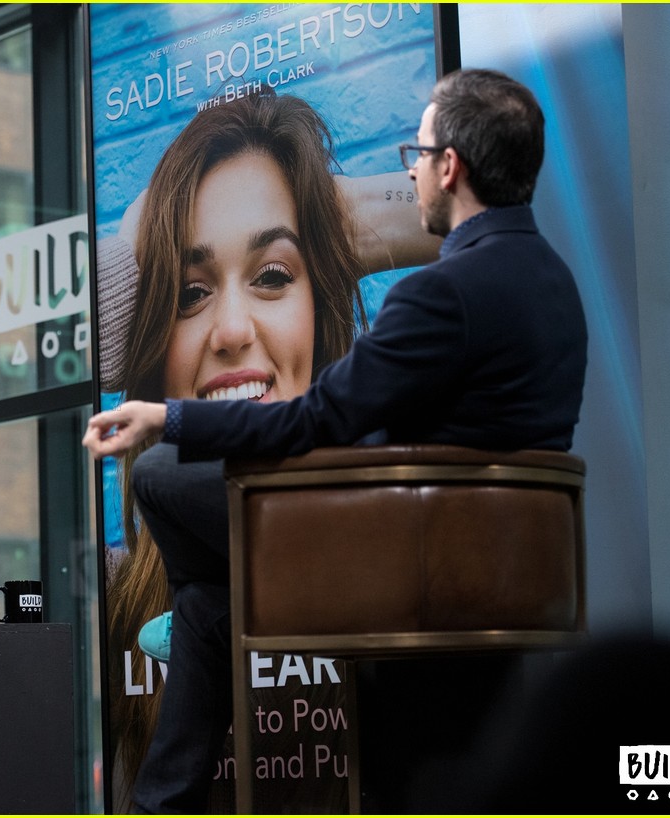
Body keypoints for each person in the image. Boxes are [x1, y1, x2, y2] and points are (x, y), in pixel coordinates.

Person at [83, 68, 588, 812]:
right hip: (498, 563)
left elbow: (317, 421)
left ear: (450, 167)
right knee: (205, 614)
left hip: (404, 559)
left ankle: (170, 766)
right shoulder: (554, 283)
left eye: (417, 155)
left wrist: (173, 419)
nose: (410, 169)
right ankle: (174, 762)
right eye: (192, 290)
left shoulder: (443, 293)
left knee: (159, 473)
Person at [93, 88, 439, 806]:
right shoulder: (113, 591)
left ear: (321, 305)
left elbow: (489, 228)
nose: (229, 331)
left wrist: (328, 212)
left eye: (275, 276)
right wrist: (136, 244)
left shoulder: (392, 533)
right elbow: (65, 349)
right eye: (189, 294)